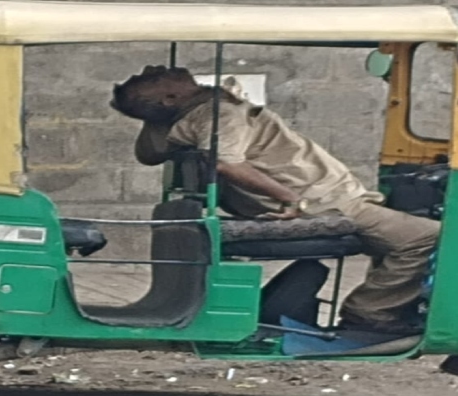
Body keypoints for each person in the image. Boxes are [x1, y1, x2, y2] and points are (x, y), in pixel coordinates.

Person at [110, 65, 441, 335]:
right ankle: (370, 311)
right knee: (432, 237)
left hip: (330, 197)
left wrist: (153, 115)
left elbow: (148, 154)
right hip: (323, 201)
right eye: (151, 78)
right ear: (170, 97)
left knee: (400, 235)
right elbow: (228, 162)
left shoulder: (201, 111)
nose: (153, 66)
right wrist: (291, 198)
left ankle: (386, 305)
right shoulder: (218, 116)